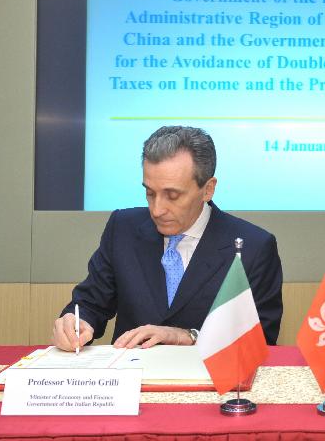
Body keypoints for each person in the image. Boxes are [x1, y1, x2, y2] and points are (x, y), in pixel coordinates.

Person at [52, 126, 283, 350]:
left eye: (172, 195)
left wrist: (190, 337)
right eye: (150, 193)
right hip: (132, 379)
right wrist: (76, 321)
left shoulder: (254, 248)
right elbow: (91, 303)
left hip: (209, 385)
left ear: (208, 189)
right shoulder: (123, 228)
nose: (157, 210)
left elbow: (260, 340)